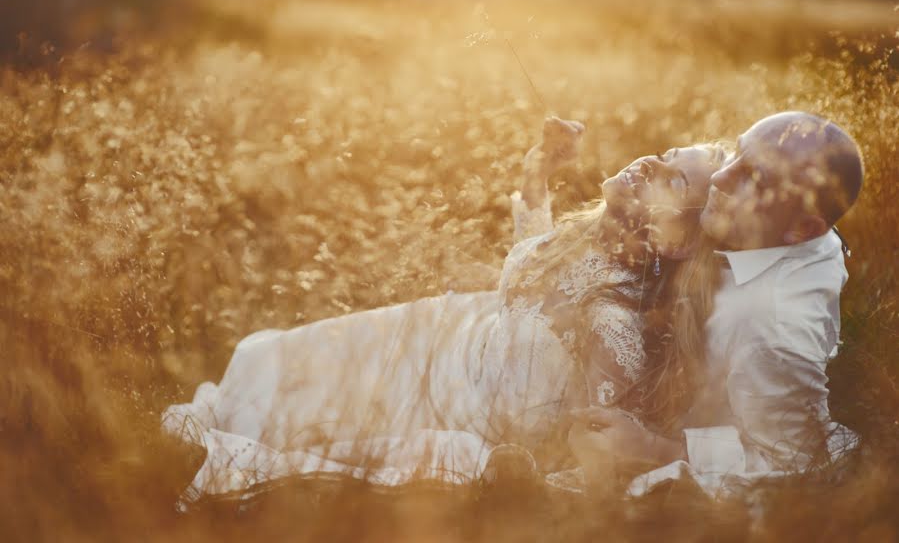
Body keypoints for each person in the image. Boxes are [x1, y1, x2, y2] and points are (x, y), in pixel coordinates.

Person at [162, 117, 728, 500]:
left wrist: (515, 469)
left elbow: (593, 453)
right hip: (436, 338)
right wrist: (537, 178)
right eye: (667, 153)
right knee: (271, 361)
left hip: (443, 404)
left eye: (672, 179)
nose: (650, 162)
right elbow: (536, 273)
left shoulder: (616, 325)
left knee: (291, 419)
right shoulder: (593, 237)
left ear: (676, 242)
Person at [568, 111, 864, 497]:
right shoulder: (794, 227)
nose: (720, 178)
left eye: (754, 179)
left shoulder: (770, 328)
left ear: (804, 229)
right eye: (737, 154)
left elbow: (793, 465)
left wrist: (653, 449)